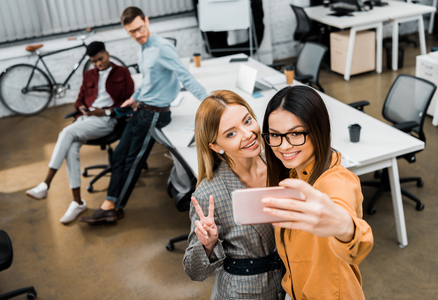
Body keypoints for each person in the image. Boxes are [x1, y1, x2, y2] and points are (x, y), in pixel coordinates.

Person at [80, 6, 207, 224]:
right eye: (132, 32)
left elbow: (185, 76)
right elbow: (149, 79)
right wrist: (135, 96)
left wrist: (209, 102)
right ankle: (110, 202)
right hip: (141, 108)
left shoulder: (162, 48)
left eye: (140, 28)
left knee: (133, 161)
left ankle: (113, 207)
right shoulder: (143, 47)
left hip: (155, 114)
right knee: (119, 154)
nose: (138, 35)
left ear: (146, 21)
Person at [260, 86, 374, 299]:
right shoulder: (293, 174)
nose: (284, 146)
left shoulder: (336, 180)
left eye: (296, 133)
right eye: (275, 135)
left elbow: (357, 242)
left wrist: (345, 227)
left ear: (319, 129)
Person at [183, 90, 284, 300]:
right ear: (215, 146)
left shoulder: (280, 164)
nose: (247, 134)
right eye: (231, 133)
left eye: (247, 121)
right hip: (243, 292)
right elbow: (195, 272)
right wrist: (207, 245)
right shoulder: (209, 193)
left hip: (289, 283)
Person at [25, 41, 134, 224]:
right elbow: (79, 100)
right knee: (71, 148)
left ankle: (45, 184)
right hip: (85, 119)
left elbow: (130, 104)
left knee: (65, 134)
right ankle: (77, 202)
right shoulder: (89, 75)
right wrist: (82, 107)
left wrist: (106, 111)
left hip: (107, 120)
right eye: (94, 61)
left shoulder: (122, 73)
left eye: (100, 59)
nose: (98, 64)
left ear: (107, 54)